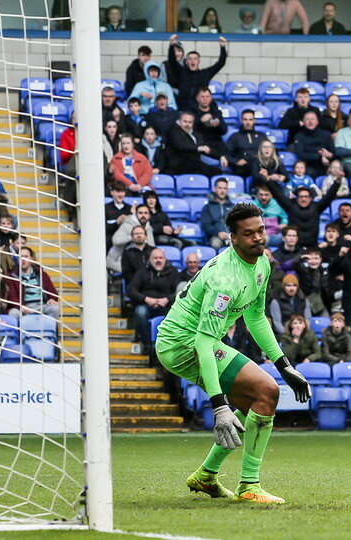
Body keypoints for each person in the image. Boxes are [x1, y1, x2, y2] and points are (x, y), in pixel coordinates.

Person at [155, 203, 311, 504]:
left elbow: (255, 318)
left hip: (199, 340)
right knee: (265, 391)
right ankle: (249, 486)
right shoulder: (224, 280)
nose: (258, 238)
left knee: (259, 398)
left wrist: (284, 365)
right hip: (181, 343)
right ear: (233, 238)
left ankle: (206, 475)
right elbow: (203, 343)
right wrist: (218, 406)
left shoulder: (262, 263)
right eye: (248, 234)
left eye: (261, 230)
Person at [267, 176, 344, 250]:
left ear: (310, 198)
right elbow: (277, 194)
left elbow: (329, 197)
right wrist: (268, 180)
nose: (303, 199)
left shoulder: (317, 207)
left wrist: (337, 183)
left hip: (312, 247)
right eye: (301, 197)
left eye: (306, 197)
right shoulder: (290, 206)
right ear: (296, 198)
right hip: (294, 248)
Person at [127, 248, 180, 350]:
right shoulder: (142, 271)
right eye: (155, 258)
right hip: (147, 305)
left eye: (160, 258)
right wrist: (146, 299)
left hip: (167, 305)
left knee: (176, 314)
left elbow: (180, 291)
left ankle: (167, 346)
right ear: (150, 259)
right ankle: (147, 344)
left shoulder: (173, 271)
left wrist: (166, 299)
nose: (158, 260)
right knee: (139, 312)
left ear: (165, 259)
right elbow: (130, 290)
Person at [166, 34, 228, 112]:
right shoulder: (181, 72)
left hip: (200, 111)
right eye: (190, 59)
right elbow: (172, 61)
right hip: (183, 111)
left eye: (195, 59)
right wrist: (172, 45)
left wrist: (223, 47)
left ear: (199, 61)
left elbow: (220, 63)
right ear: (186, 62)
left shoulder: (205, 74)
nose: (193, 61)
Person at [4, 246, 59, 320]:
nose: (23, 259)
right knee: (13, 313)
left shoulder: (42, 275)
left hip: (40, 306)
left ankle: (50, 331)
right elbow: (12, 297)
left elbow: (53, 292)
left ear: (31, 259)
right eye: (20, 257)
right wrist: (21, 307)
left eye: (26, 256)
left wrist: (52, 299)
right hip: (22, 307)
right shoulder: (11, 277)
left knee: (54, 308)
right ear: (17, 260)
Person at [290, 110, 335, 177]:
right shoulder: (299, 136)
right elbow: (301, 154)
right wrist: (319, 157)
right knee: (310, 172)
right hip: (308, 165)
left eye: (312, 119)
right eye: (307, 120)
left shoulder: (326, 134)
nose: (310, 122)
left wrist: (330, 155)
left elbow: (333, 152)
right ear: (303, 122)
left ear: (317, 122)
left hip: (326, 164)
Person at [221, 109, 266, 176]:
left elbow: (271, 150)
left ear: (254, 121)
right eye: (245, 119)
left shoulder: (261, 136)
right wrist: (236, 161)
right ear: (241, 121)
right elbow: (227, 153)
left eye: (250, 119)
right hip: (242, 168)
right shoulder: (235, 137)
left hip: (259, 165)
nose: (248, 122)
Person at [200, 178, 234, 249]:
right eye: (220, 188)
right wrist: (218, 233)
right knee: (216, 243)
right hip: (216, 236)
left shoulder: (233, 207)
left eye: (224, 188)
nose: (222, 191)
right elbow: (206, 225)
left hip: (232, 236)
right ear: (215, 189)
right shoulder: (207, 207)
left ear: (227, 190)